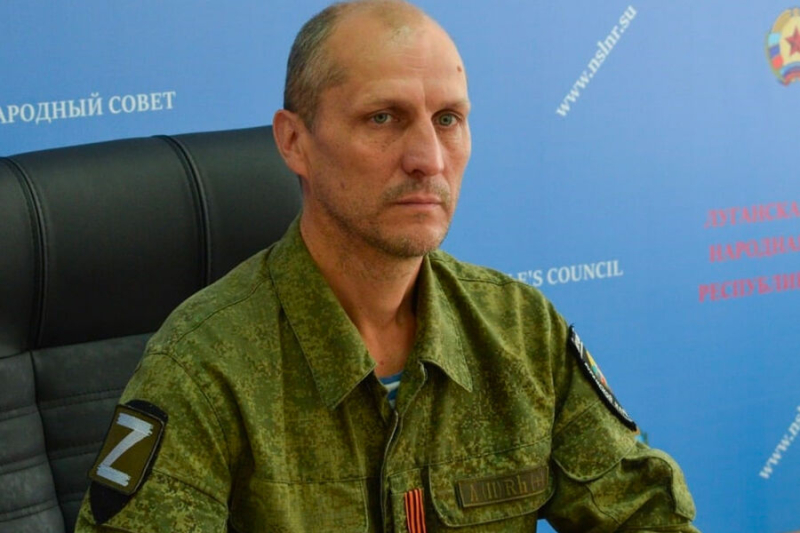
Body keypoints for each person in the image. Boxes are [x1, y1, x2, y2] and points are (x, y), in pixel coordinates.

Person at [75, 1, 700, 531]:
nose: (429, 158)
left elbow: (644, 516)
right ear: (294, 142)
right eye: (383, 118)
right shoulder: (203, 368)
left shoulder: (520, 330)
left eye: (448, 119)